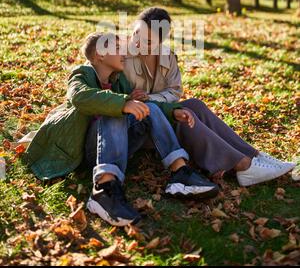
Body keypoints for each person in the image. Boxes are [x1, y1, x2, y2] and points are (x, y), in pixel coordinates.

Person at [24, 32, 219, 227]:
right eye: (117, 48)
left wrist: (173, 111)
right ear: (100, 54)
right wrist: (122, 102)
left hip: (117, 146)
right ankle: (104, 190)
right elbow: (79, 97)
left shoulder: (120, 81)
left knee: (148, 107)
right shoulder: (82, 73)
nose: (123, 53)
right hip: (85, 151)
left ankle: (180, 172)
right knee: (113, 111)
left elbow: (142, 105)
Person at [123, 7, 295, 187]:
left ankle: (254, 155)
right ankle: (242, 165)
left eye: (148, 41)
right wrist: (131, 99)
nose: (138, 43)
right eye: (136, 34)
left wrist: (151, 98)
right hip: (139, 126)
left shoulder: (167, 57)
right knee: (184, 117)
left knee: (194, 105)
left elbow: (175, 91)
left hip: (157, 114)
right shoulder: (120, 55)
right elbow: (102, 90)